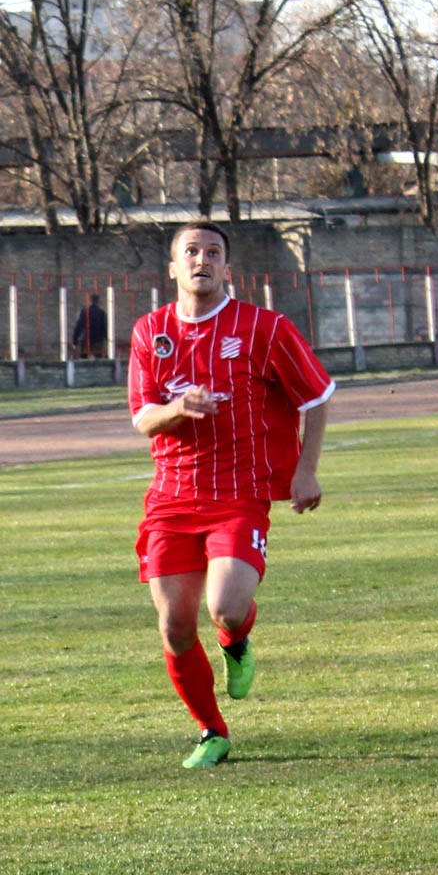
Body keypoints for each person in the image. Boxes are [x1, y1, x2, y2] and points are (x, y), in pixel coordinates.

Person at [128, 220, 335, 769]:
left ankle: (236, 639)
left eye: (212, 252)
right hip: (171, 498)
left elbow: (317, 398)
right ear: (173, 267)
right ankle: (211, 731)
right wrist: (179, 409)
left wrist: (306, 472)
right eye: (190, 252)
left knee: (225, 605)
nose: (202, 260)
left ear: (227, 267)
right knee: (173, 625)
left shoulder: (264, 327)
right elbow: (144, 417)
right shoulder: (150, 331)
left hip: (239, 495)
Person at [72, 293, 107, 358]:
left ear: (90, 301)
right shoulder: (101, 312)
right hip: (97, 339)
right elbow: (104, 327)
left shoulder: (84, 311)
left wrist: (75, 341)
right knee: (98, 358)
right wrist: (106, 337)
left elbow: (78, 326)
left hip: (85, 338)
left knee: (84, 358)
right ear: (98, 301)